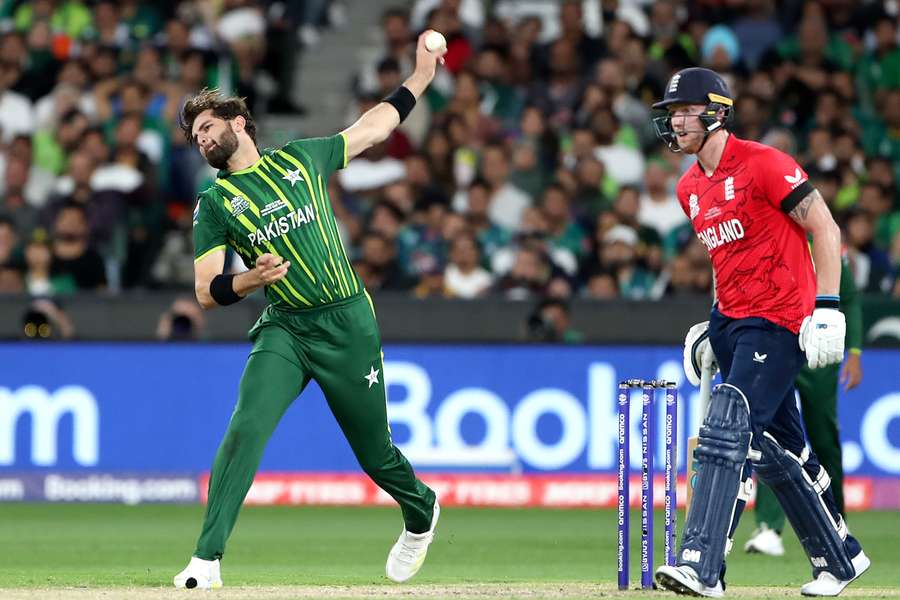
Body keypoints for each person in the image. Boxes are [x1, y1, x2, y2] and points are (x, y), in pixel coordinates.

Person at [172, 31, 447, 590]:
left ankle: (421, 511)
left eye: (206, 128)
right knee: (245, 429)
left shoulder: (302, 158)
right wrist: (250, 279)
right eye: (193, 137)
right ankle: (205, 561)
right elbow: (206, 291)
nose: (200, 141)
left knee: (375, 456)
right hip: (286, 328)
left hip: (347, 322)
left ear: (237, 122)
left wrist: (419, 78)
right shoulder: (216, 204)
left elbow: (373, 128)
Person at [650, 68, 869, 597]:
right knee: (779, 449)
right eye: (671, 113)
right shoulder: (688, 188)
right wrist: (712, 324)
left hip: (778, 320)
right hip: (734, 321)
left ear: (716, 112)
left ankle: (701, 564)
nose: (675, 121)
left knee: (729, 423)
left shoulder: (765, 164)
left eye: (684, 111)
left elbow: (825, 226)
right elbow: (727, 259)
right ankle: (840, 558)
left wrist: (829, 307)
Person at [745, 246, 863, 556]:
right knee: (771, 437)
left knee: (824, 441)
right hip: (781, 347)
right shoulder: (770, 243)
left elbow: (849, 300)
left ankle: (836, 523)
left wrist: (855, 352)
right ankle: (769, 527)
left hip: (819, 357)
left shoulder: (826, 247)